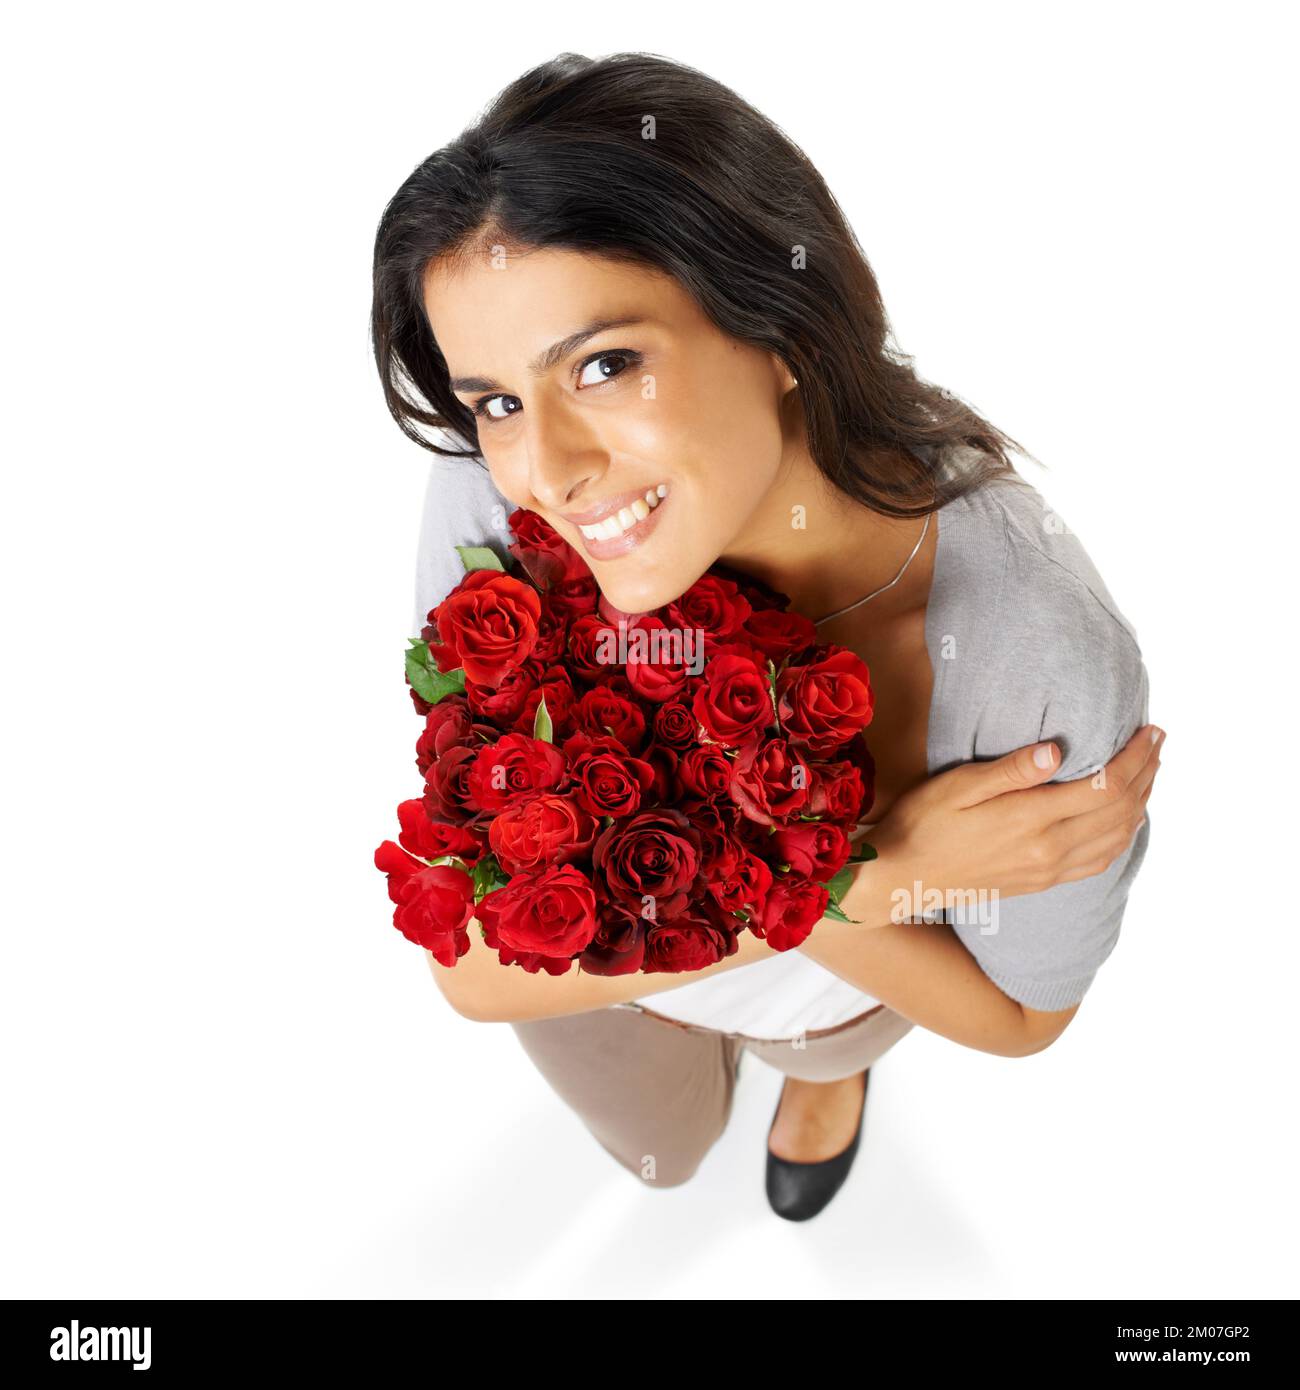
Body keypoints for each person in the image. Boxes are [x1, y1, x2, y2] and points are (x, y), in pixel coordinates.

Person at [371, 52, 1162, 1220]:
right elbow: (476, 975)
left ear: (783, 322)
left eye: (603, 364)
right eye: (494, 400)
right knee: (666, 1146)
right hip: (609, 993)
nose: (545, 471)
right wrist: (877, 876)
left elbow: (1022, 1019)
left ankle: (823, 1089)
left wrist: (828, 920)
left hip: (848, 999)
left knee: (825, 1051)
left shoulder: (1027, 653)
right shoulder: (502, 507)